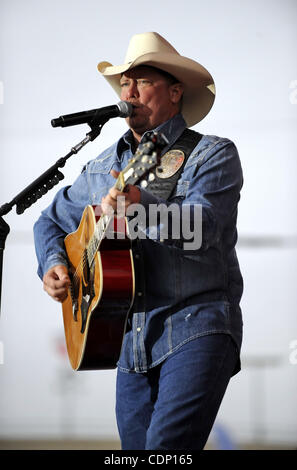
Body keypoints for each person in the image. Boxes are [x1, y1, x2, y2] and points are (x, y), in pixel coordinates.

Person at [34, 32, 244, 450]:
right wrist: (55, 264)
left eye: (142, 81)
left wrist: (140, 206)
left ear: (175, 91)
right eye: (124, 83)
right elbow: (48, 222)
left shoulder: (211, 154)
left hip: (195, 328)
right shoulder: (101, 168)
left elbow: (204, 228)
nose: (129, 92)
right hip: (127, 342)